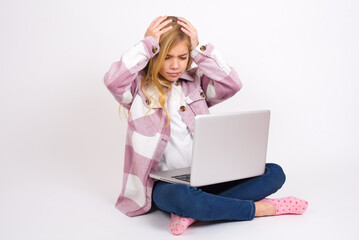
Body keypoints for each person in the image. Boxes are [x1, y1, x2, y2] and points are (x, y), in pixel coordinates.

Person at [103, 16, 308, 235]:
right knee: (178, 197)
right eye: (166, 57)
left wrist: (199, 48)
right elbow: (113, 81)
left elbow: (232, 83)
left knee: (274, 173)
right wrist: (146, 45)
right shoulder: (138, 89)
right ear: (155, 55)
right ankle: (259, 209)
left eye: (182, 57)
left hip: (205, 177)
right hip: (166, 185)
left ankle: (192, 213)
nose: (175, 65)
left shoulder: (196, 83)